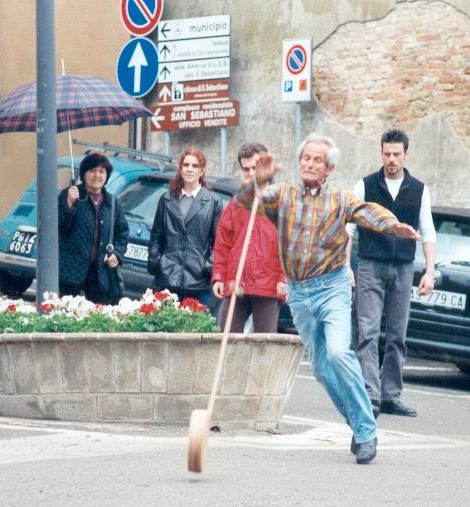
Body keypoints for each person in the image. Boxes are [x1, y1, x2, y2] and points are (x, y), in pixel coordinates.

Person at [236, 133, 421, 465]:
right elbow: (248, 201)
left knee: (338, 353)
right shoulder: (283, 195)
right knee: (321, 368)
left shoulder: (340, 199)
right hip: (298, 293)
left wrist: (393, 226)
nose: (309, 164)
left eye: (317, 160)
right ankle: (360, 424)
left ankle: (366, 431)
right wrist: (256, 181)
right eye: (305, 158)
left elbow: (368, 211)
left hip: (332, 287)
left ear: (329, 168)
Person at [348, 129, 437, 417]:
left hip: (403, 267)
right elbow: (348, 227)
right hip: (370, 265)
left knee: (398, 334)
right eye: (387, 154)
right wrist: (345, 266)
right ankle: (370, 394)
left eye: (397, 154)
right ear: (381, 153)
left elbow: (427, 230)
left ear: (406, 155)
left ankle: (391, 395)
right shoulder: (365, 185)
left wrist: (429, 271)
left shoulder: (419, 189)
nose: (391, 159)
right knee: (368, 331)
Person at [211, 142, 287, 332]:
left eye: (255, 167)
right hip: (237, 281)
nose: (252, 173)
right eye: (246, 169)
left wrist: (283, 278)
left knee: (264, 342)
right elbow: (223, 242)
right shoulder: (237, 201)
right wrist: (219, 276)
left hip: (268, 283)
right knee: (227, 336)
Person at [148, 148, 223, 308]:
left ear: (202, 171)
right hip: (168, 277)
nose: (190, 169)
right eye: (186, 165)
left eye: (195, 166)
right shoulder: (166, 199)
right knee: (166, 322)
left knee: (196, 324)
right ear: (180, 168)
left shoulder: (213, 202)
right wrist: (158, 262)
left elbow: (219, 242)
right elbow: (156, 236)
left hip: (199, 280)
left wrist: (208, 266)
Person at [58, 152, 128, 304]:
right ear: (84, 174)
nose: (97, 175)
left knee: (99, 314)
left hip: (100, 273)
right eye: (92, 171)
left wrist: (116, 255)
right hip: (70, 271)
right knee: (65, 312)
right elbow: (60, 228)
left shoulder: (113, 203)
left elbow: (122, 234)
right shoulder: (69, 195)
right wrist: (69, 204)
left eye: (102, 171)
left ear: (107, 176)